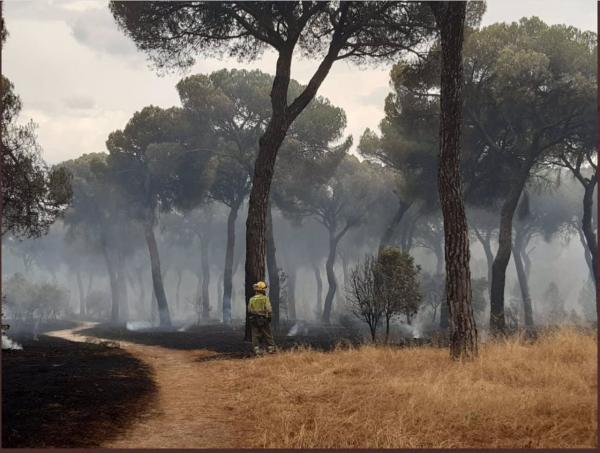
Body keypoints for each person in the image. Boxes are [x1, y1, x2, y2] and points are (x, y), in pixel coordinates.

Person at [248, 281, 276, 356]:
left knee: (255, 335)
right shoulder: (265, 299)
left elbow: (249, 310)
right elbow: (269, 309)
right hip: (263, 319)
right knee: (268, 334)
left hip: (254, 319)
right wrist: (269, 317)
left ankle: (256, 350)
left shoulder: (252, 299)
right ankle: (271, 350)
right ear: (262, 290)